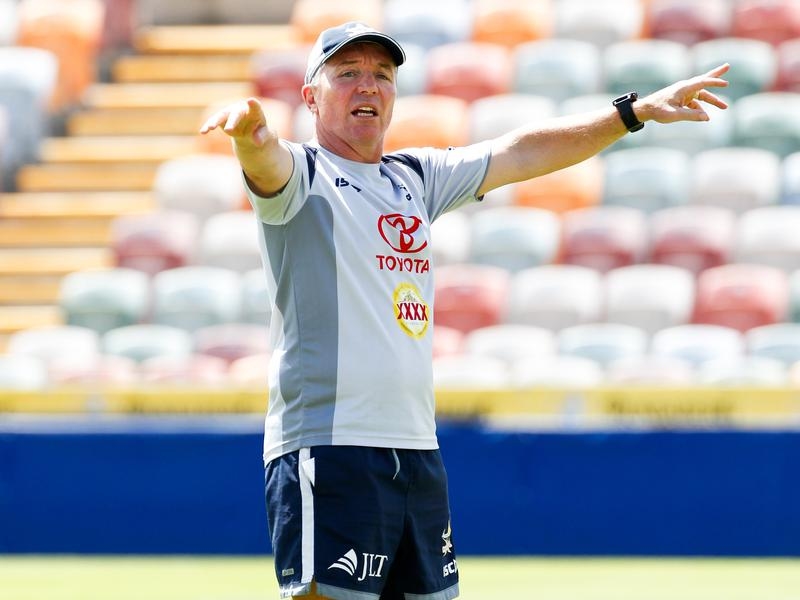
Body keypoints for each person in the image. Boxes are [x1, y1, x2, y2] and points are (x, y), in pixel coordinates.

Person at [200, 21, 730, 600]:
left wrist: (632, 113)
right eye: (347, 73)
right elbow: (268, 164)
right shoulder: (304, 175)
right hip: (330, 449)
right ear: (311, 96)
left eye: (382, 74)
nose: (368, 85)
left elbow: (521, 151)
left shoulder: (413, 178)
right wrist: (251, 138)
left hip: (416, 452)